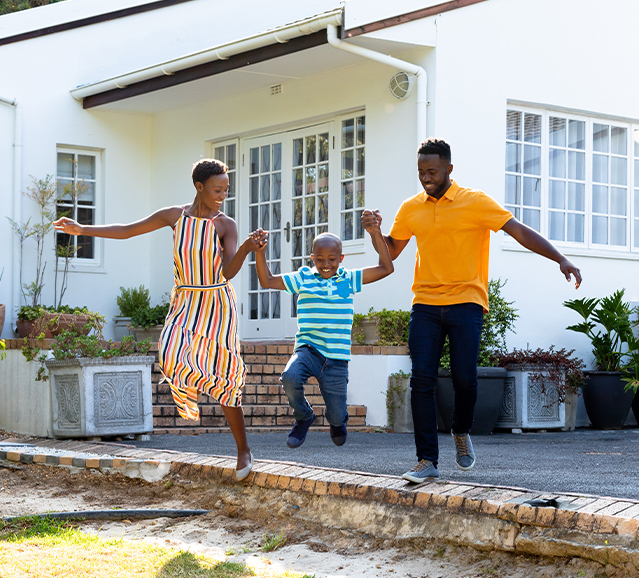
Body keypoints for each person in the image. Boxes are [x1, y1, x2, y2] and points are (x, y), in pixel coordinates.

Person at [363, 138, 582, 484]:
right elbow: (390, 253)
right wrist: (376, 233)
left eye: (432, 171)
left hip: (467, 302)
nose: (425, 178)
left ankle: (461, 430)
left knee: (465, 378)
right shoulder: (410, 208)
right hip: (425, 303)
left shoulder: (476, 202)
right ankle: (426, 460)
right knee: (422, 379)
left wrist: (560, 258)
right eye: (421, 172)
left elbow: (519, 231)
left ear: (449, 169)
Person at [54, 158, 264, 481]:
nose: (223, 195)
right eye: (217, 189)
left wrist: (248, 246)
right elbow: (127, 230)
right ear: (199, 187)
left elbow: (227, 272)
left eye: (226, 190)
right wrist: (83, 229)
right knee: (168, 350)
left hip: (217, 304)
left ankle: (243, 449)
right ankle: (195, 383)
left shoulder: (226, 225)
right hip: (186, 299)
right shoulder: (174, 217)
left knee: (226, 376)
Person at [254, 220, 394, 449]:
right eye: (320, 259)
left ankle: (337, 423)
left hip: (337, 358)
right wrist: (260, 252)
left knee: (337, 415)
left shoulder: (349, 279)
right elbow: (266, 280)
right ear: (312, 258)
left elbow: (386, 268)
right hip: (308, 349)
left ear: (341, 258)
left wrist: (376, 233)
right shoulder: (303, 278)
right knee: (289, 377)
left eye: (332, 259)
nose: (326, 264)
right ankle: (304, 416)